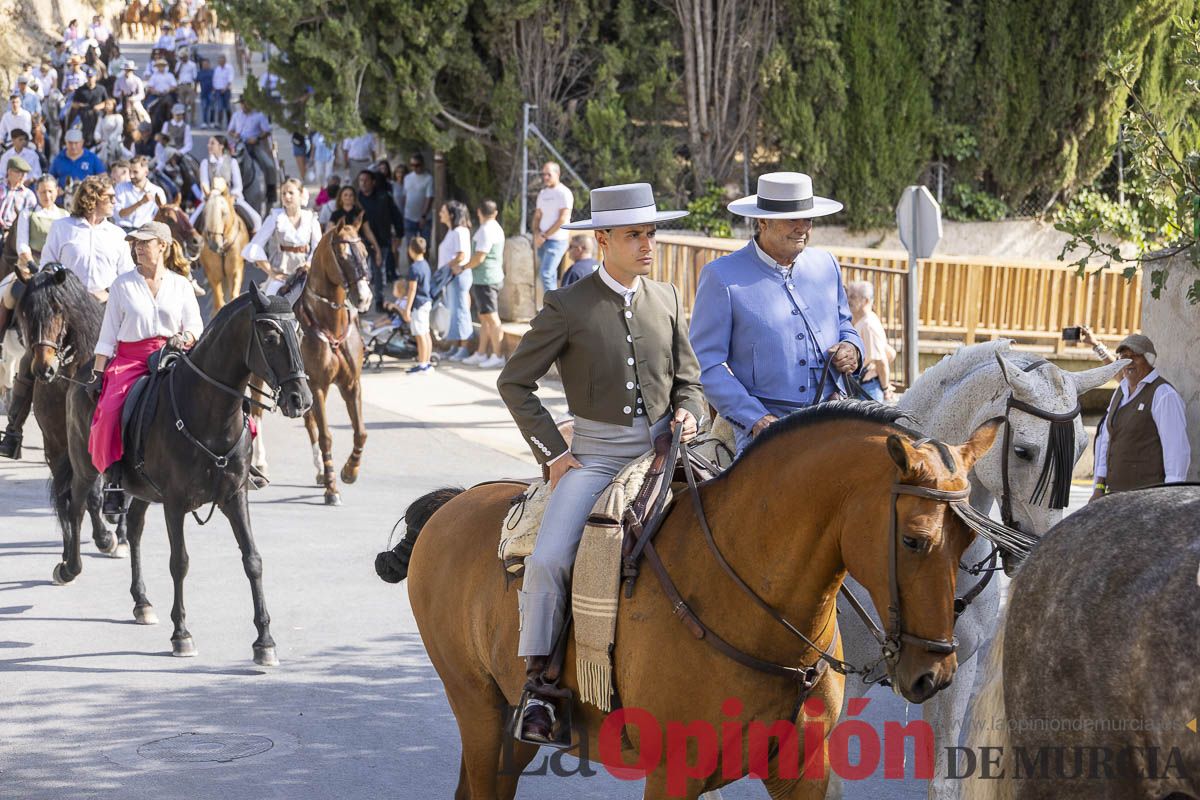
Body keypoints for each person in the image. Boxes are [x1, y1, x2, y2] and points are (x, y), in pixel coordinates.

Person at [496, 182, 704, 743]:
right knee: (548, 560)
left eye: (651, 233)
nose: (647, 244)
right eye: (635, 235)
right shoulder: (568, 305)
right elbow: (514, 383)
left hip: (667, 454)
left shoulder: (667, 298)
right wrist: (556, 453)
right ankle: (540, 688)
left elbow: (690, 382)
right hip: (593, 460)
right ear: (603, 239)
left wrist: (687, 414)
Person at [689, 172, 863, 454]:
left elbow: (845, 324)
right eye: (792, 219)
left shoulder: (826, 264)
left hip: (834, 417)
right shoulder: (721, 277)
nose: (803, 228)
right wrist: (755, 419)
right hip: (763, 433)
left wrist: (853, 347)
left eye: (808, 219)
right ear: (762, 221)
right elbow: (707, 365)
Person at [0, 176, 132, 459]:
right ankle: (14, 430)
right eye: (109, 196)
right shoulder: (63, 228)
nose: (113, 201)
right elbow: (48, 266)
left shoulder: (117, 235)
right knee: (33, 359)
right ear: (91, 198)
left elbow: (126, 276)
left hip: (104, 309)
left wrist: (107, 293)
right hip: (65, 310)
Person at [87, 220, 203, 515]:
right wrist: (99, 373)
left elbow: (195, 326)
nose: (137, 248)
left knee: (211, 396)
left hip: (173, 355)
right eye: (135, 243)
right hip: (131, 359)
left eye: (144, 242)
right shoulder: (122, 284)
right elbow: (108, 335)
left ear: (162, 246)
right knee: (110, 412)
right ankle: (113, 478)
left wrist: (184, 337)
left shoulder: (180, 284)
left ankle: (227, 464)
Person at [1092, 334, 1191, 498]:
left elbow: (1176, 452)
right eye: (1124, 357)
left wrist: (1170, 496)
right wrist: (1099, 486)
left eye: (1134, 356)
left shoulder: (1164, 395)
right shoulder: (1120, 391)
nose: (1128, 361)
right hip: (1114, 496)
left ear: (1149, 359)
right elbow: (1106, 441)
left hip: (1147, 499)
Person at [241, 178, 321, 294]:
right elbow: (255, 246)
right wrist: (271, 272)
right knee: (270, 305)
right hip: (281, 275)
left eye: (291, 193)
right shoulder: (276, 217)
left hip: (306, 274)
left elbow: (317, 246)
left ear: (301, 194)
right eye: (283, 193)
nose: (286, 196)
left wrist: (309, 264)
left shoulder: (310, 218)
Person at [460, 200, 506, 368]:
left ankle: (498, 355)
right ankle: (481, 352)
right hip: (486, 278)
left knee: (492, 318)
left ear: (479, 211)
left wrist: (463, 267)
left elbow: (480, 257)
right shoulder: (494, 227)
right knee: (484, 316)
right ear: (495, 213)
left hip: (487, 279)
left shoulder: (487, 230)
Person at [192, 134, 262, 230]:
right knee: (191, 222)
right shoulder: (205, 163)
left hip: (230, 198)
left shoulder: (232, 162)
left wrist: (232, 196)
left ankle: (254, 242)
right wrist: (208, 195)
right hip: (211, 198)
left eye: (212, 143)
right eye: (209, 143)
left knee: (257, 219)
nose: (209, 145)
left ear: (221, 146)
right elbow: (204, 182)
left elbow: (238, 185)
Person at [356, 169, 403, 310]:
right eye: (361, 180)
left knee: (379, 271)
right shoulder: (356, 200)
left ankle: (379, 301)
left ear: (373, 182)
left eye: (366, 180)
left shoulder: (384, 197)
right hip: (361, 242)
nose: (363, 183)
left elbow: (396, 215)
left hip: (382, 241)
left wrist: (399, 234)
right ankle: (361, 302)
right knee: (361, 272)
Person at [846, 280, 896, 402]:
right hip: (863, 385)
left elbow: (881, 361)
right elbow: (890, 352)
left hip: (868, 388)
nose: (849, 300)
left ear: (866, 300)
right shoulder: (863, 320)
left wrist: (885, 389)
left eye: (853, 297)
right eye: (848, 296)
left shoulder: (869, 325)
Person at [438, 200, 474, 362]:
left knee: (461, 311)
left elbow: (462, 255)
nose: (440, 213)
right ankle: (455, 345)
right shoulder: (452, 231)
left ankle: (464, 347)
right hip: (451, 278)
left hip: (458, 277)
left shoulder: (460, 231)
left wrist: (446, 267)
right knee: (453, 311)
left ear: (452, 214)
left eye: (443, 211)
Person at [531, 162, 573, 293]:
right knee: (550, 275)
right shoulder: (543, 193)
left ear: (557, 174)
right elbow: (537, 216)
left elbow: (562, 219)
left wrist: (544, 235)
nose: (545, 177)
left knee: (546, 274)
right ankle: (553, 306)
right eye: (544, 174)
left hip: (557, 241)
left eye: (549, 174)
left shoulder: (564, 193)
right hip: (542, 240)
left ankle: (552, 309)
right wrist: (537, 234)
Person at [14, 175, 68, 267]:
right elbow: (22, 244)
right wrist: (31, 264)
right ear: (37, 192)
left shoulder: (65, 215)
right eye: (43, 192)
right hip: (32, 264)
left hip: (60, 266)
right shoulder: (27, 214)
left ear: (57, 191)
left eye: (50, 191)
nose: (47, 196)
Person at [401, 236, 434, 374]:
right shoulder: (425, 265)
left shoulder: (414, 268)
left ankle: (422, 364)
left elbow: (412, 289)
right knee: (426, 333)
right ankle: (427, 362)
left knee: (420, 335)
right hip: (426, 302)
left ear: (411, 250)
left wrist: (407, 309)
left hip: (418, 304)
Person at [113, 156, 167, 232]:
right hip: (123, 230)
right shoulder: (120, 187)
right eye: (130, 171)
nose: (131, 176)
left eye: (135, 172)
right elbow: (119, 214)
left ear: (146, 172)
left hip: (146, 232)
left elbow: (162, 217)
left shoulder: (157, 191)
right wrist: (140, 202)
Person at [325, 185, 381, 258]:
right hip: (341, 249)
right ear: (341, 198)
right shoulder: (335, 214)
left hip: (358, 247)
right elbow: (329, 232)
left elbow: (368, 232)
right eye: (345, 195)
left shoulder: (359, 213)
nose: (348, 197)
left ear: (354, 198)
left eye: (351, 195)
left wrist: (377, 249)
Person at [67, 68, 107, 144]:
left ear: (95, 77)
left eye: (92, 77)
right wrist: (80, 105)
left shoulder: (101, 89)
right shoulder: (80, 90)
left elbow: (107, 102)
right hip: (83, 114)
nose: (90, 79)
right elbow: (73, 104)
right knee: (74, 128)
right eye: (89, 77)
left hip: (97, 115)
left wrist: (99, 106)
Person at [0, 157, 37, 236]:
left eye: (25, 173)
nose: (23, 176)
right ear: (9, 172)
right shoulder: (1, 188)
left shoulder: (28, 195)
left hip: (17, 233)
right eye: (19, 172)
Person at [401, 152, 433, 243]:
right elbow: (405, 196)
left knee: (425, 246)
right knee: (410, 246)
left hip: (424, 219)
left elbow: (429, 198)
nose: (414, 167)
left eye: (417, 165)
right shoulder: (407, 178)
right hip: (409, 217)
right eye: (412, 165)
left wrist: (423, 216)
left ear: (422, 164)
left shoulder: (428, 178)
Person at [174, 50, 198, 124]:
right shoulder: (179, 64)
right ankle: (184, 119)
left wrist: (195, 88)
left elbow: (195, 77)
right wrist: (180, 65)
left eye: (184, 57)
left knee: (192, 102)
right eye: (182, 57)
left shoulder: (192, 65)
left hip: (189, 85)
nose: (183, 59)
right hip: (181, 85)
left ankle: (193, 119)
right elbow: (176, 74)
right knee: (182, 103)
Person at [210, 54, 234, 128]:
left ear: (225, 61)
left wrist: (225, 88)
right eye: (219, 61)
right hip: (218, 90)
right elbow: (214, 79)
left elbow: (230, 79)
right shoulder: (217, 69)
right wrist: (213, 88)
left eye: (222, 60)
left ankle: (229, 123)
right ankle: (219, 123)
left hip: (226, 90)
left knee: (227, 107)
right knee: (219, 107)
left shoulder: (229, 68)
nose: (220, 62)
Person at [196, 56, 214, 127]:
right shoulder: (200, 72)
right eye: (204, 64)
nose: (205, 65)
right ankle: (204, 122)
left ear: (209, 64)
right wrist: (196, 90)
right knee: (204, 108)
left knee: (212, 107)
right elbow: (197, 82)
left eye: (206, 64)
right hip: (203, 92)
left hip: (211, 92)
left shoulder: (212, 72)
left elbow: (216, 81)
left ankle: (212, 121)